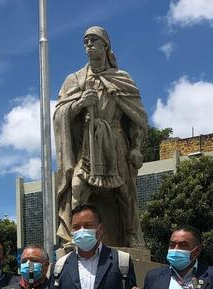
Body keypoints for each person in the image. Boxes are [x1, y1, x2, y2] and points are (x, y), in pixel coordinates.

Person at [53, 26, 149, 248]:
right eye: (86, 42)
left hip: (115, 142)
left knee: (125, 192)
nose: (89, 46)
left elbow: (137, 117)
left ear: (105, 45)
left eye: (94, 41)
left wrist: (136, 146)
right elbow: (60, 114)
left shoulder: (121, 78)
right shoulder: (75, 79)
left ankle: (131, 235)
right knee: (77, 187)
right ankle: (74, 235)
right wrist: (79, 104)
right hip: (87, 143)